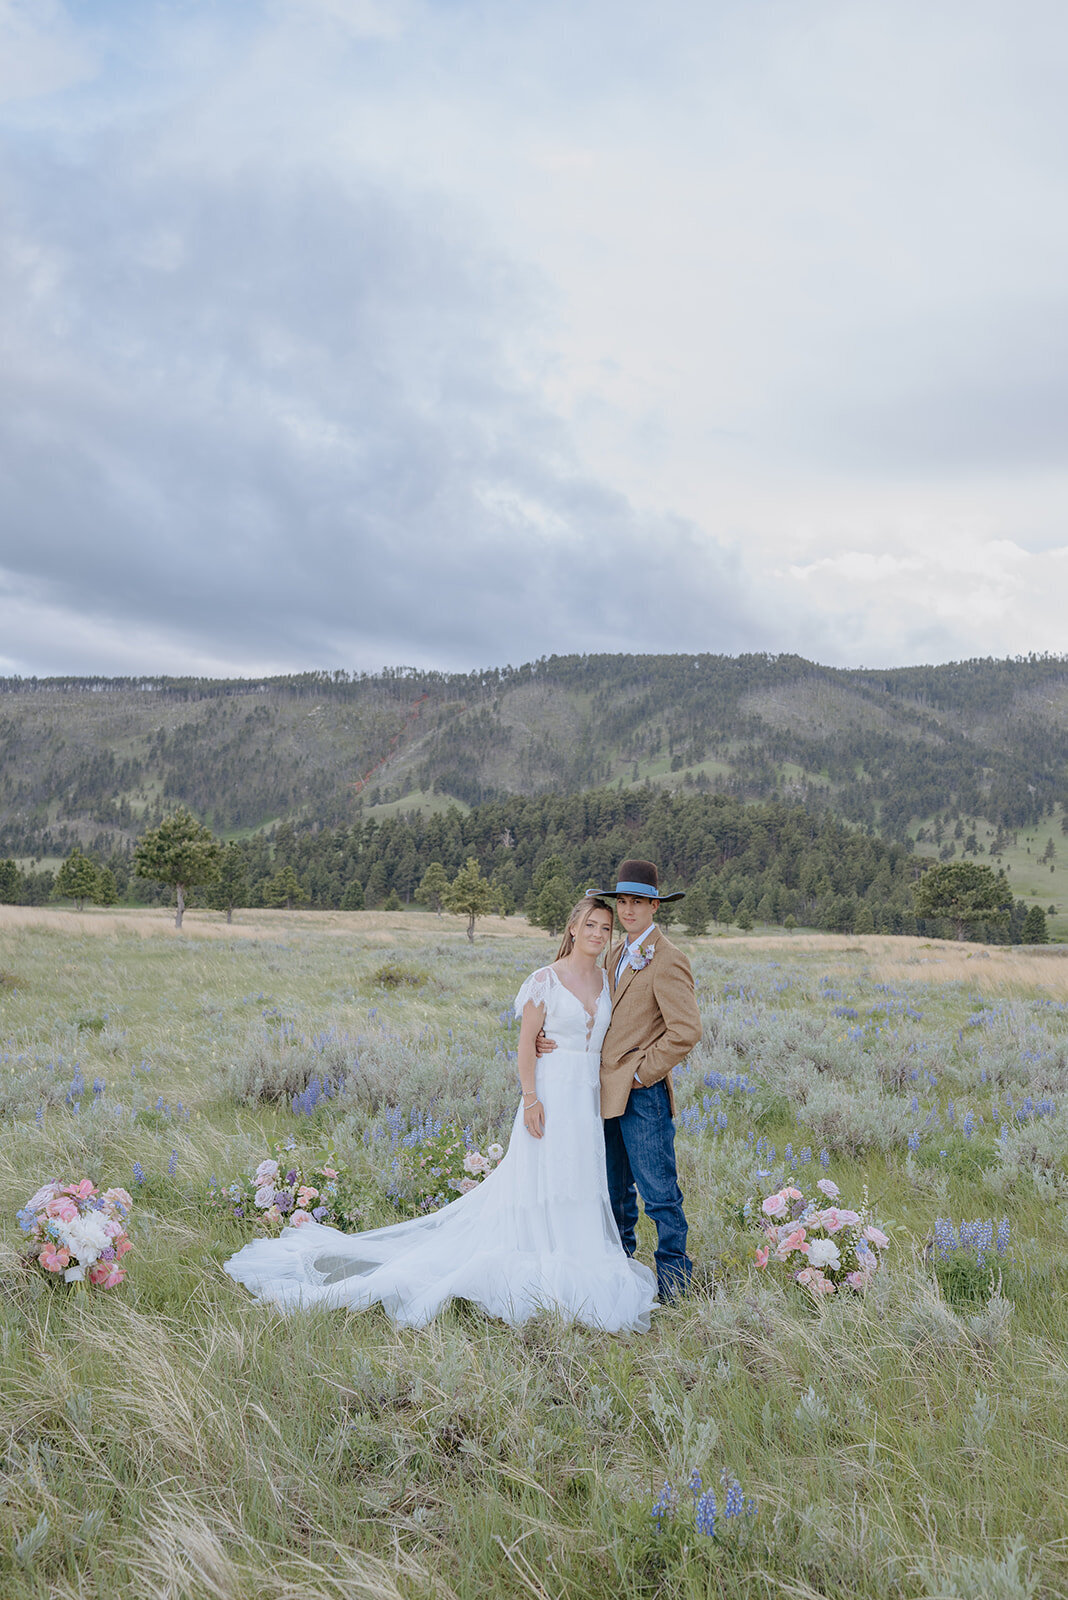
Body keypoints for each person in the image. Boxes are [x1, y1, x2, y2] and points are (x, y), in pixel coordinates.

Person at [223, 895, 657, 1332]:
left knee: (580, 1178)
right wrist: (530, 1098)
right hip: (548, 1094)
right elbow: (527, 1043)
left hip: (586, 1101)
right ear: (572, 928)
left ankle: (579, 1253)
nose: (599, 935)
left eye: (605, 928)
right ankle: (539, 1256)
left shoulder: (608, 982)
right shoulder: (545, 979)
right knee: (542, 1179)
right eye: (591, 926)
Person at [540, 860, 701, 1300]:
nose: (628, 910)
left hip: (641, 1095)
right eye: (622, 902)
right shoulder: (612, 954)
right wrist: (547, 1039)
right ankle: (621, 1272)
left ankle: (675, 1283)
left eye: (638, 902)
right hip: (600, 1093)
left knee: (659, 1192)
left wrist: (641, 1074)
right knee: (614, 1190)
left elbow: (686, 1030)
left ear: (654, 906)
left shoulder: (668, 960)